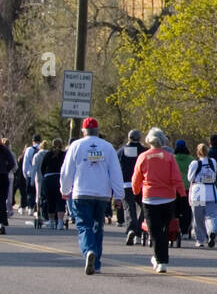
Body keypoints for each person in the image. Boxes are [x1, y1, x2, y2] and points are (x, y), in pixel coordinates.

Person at [59, 118, 124, 275]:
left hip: (81, 192)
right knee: (97, 227)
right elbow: (116, 172)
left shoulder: (76, 146)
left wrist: (65, 189)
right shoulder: (108, 147)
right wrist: (118, 195)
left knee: (83, 225)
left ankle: (89, 251)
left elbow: (67, 170)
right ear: (98, 130)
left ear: (83, 131)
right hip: (102, 194)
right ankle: (97, 263)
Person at [131, 128, 186, 273]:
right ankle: (161, 259)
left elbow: (136, 177)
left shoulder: (143, 157)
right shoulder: (169, 157)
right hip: (168, 198)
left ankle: (159, 259)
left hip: (150, 198)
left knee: (154, 231)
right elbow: (176, 177)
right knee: (164, 229)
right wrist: (182, 193)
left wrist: (135, 191)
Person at [188, 143, 217, 248]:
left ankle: (200, 240)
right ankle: (212, 231)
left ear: (197, 152)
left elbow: (190, 178)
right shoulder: (213, 162)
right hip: (211, 191)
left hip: (198, 191)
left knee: (198, 218)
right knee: (211, 216)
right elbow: (215, 175)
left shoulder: (195, 163)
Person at [118, 130, 148, 245]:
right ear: (140, 138)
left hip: (126, 184)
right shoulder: (145, 151)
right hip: (142, 184)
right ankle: (139, 233)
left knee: (129, 208)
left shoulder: (121, 151)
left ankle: (131, 229)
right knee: (143, 207)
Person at [39, 139, 68, 229]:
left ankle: (51, 221)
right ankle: (60, 223)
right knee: (61, 200)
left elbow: (42, 168)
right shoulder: (64, 155)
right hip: (60, 178)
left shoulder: (48, 154)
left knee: (50, 200)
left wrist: (45, 176)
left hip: (49, 178)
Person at [173, 139, 195, 240]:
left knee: (175, 209)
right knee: (186, 210)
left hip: (175, 188)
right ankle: (185, 230)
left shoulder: (173, 158)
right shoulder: (191, 159)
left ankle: (175, 229)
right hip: (187, 188)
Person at [20, 134, 40, 214]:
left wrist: (25, 174)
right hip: (39, 174)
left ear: (33, 141)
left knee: (30, 192)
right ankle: (37, 208)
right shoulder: (41, 149)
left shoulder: (29, 149)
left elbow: (25, 163)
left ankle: (30, 208)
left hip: (30, 173)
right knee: (38, 192)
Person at [0, 137, 15, 234]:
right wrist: (6, 169)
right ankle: (1, 223)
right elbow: (12, 163)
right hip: (3, 176)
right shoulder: (4, 149)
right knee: (1, 200)